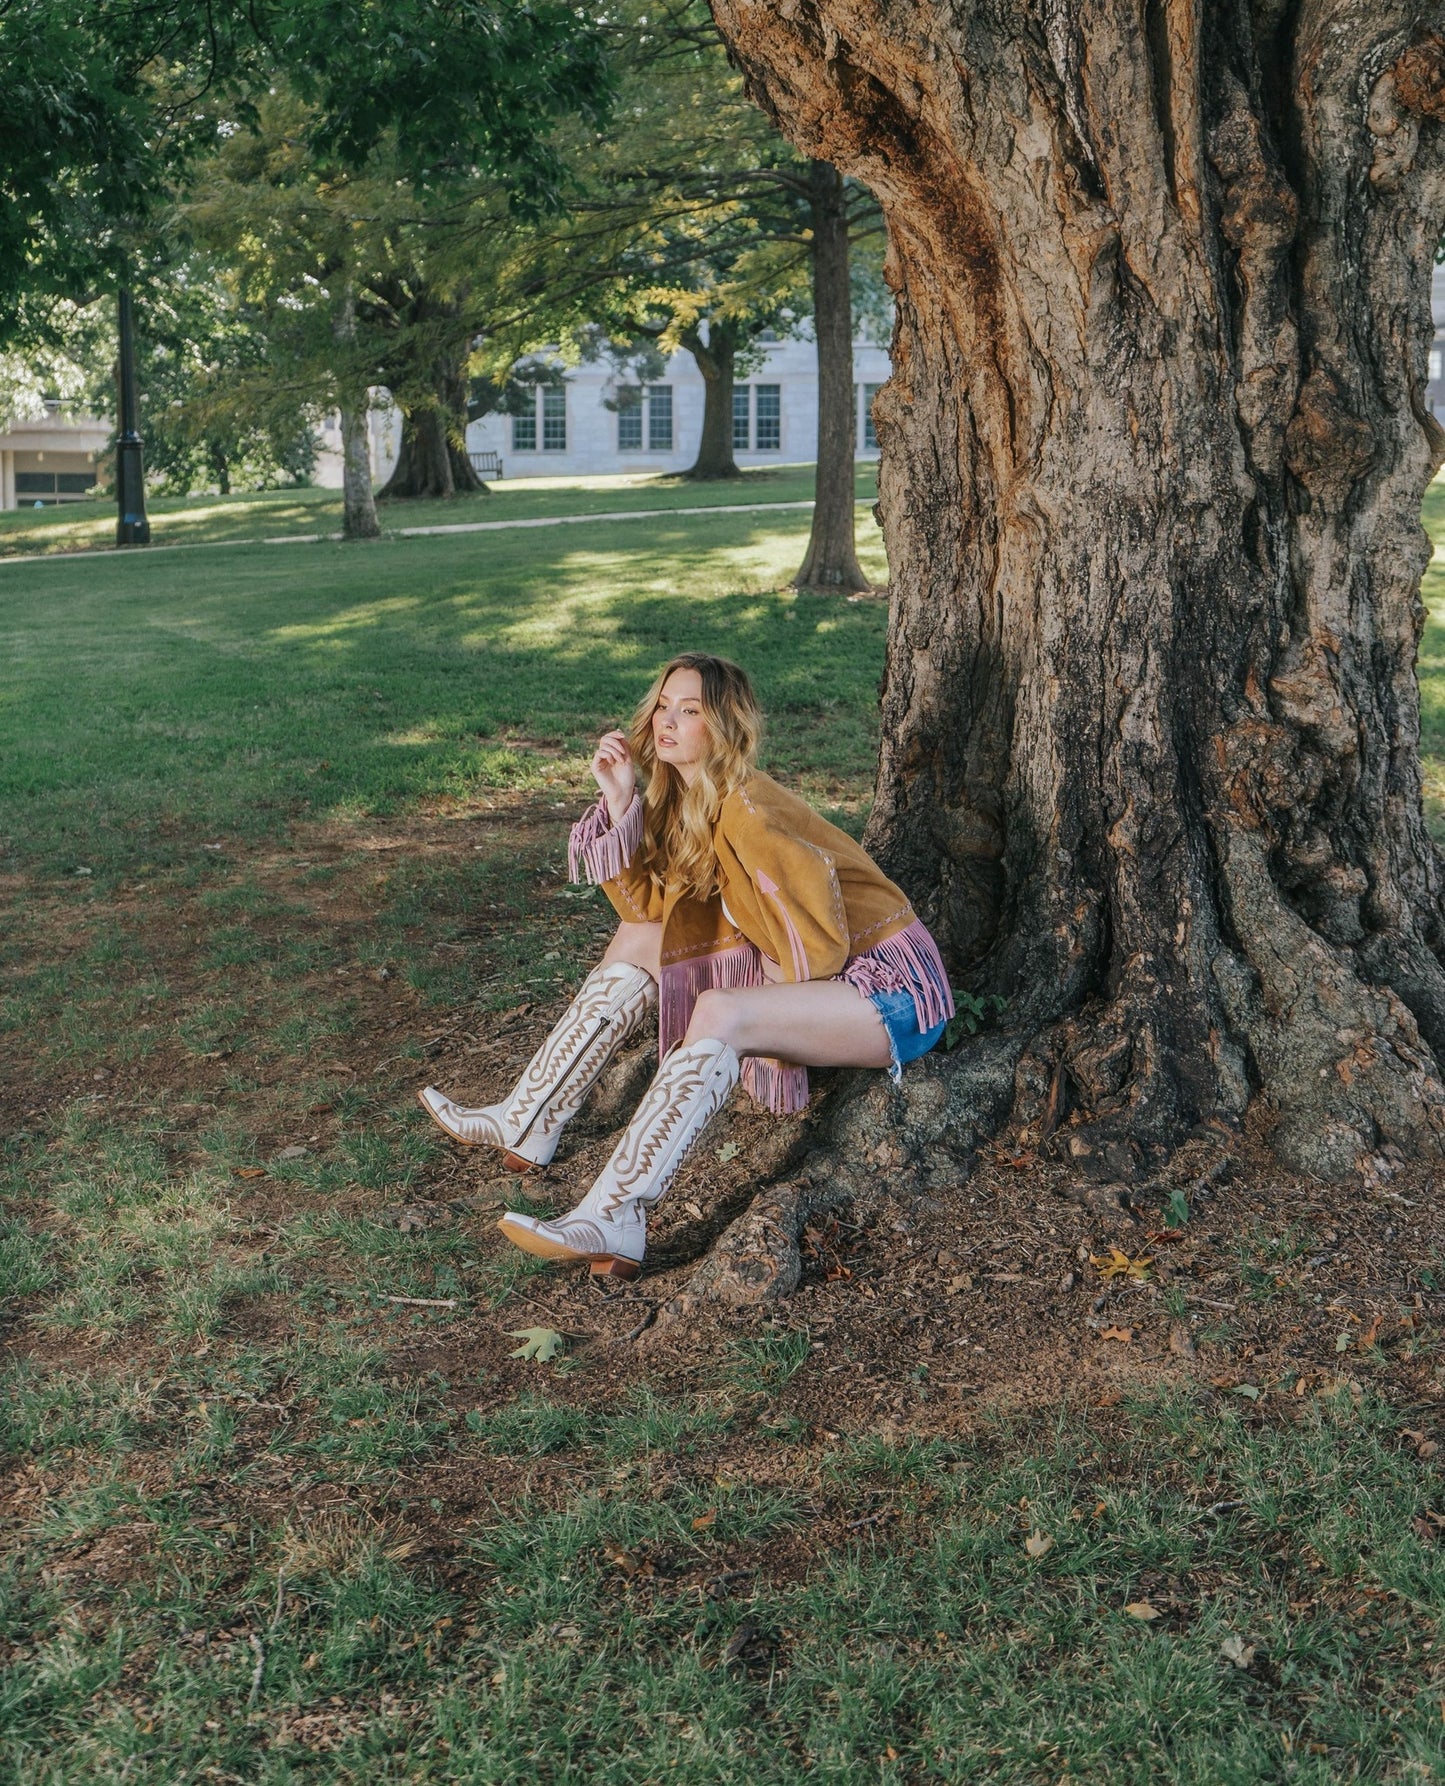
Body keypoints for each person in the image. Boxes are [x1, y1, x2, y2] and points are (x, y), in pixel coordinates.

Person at [419, 653, 952, 1280]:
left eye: (690, 711)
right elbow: (648, 910)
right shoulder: (685, 801)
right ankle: (527, 1119)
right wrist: (620, 804)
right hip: (825, 977)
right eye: (664, 706)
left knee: (721, 1010)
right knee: (640, 934)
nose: (668, 721)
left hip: (888, 987)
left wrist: (754, 1000)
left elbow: (824, 943)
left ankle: (617, 1214)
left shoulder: (748, 808)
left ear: (723, 727)